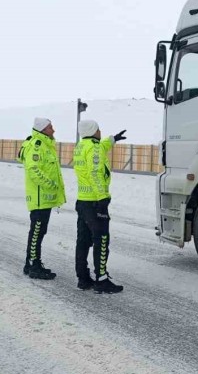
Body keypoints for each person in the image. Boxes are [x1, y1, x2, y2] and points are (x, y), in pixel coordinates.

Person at [73, 119, 127, 293]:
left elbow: (101, 147)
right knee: (101, 240)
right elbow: (95, 173)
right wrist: (103, 199)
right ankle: (101, 280)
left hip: (82, 200)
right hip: (95, 202)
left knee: (82, 241)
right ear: (93, 131)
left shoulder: (82, 146)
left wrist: (113, 139)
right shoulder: (94, 148)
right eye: (98, 129)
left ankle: (83, 278)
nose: (100, 131)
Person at [17, 117, 65, 280]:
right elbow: (33, 170)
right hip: (39, 198)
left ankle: (31, 263)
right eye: (51, 127)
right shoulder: (37, 146)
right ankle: (33, 265)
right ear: (43, 129)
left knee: (39, 231)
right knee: (37, 232)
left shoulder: (45, 144)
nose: (53, 130)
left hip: (43, 198)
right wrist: (50, 184)